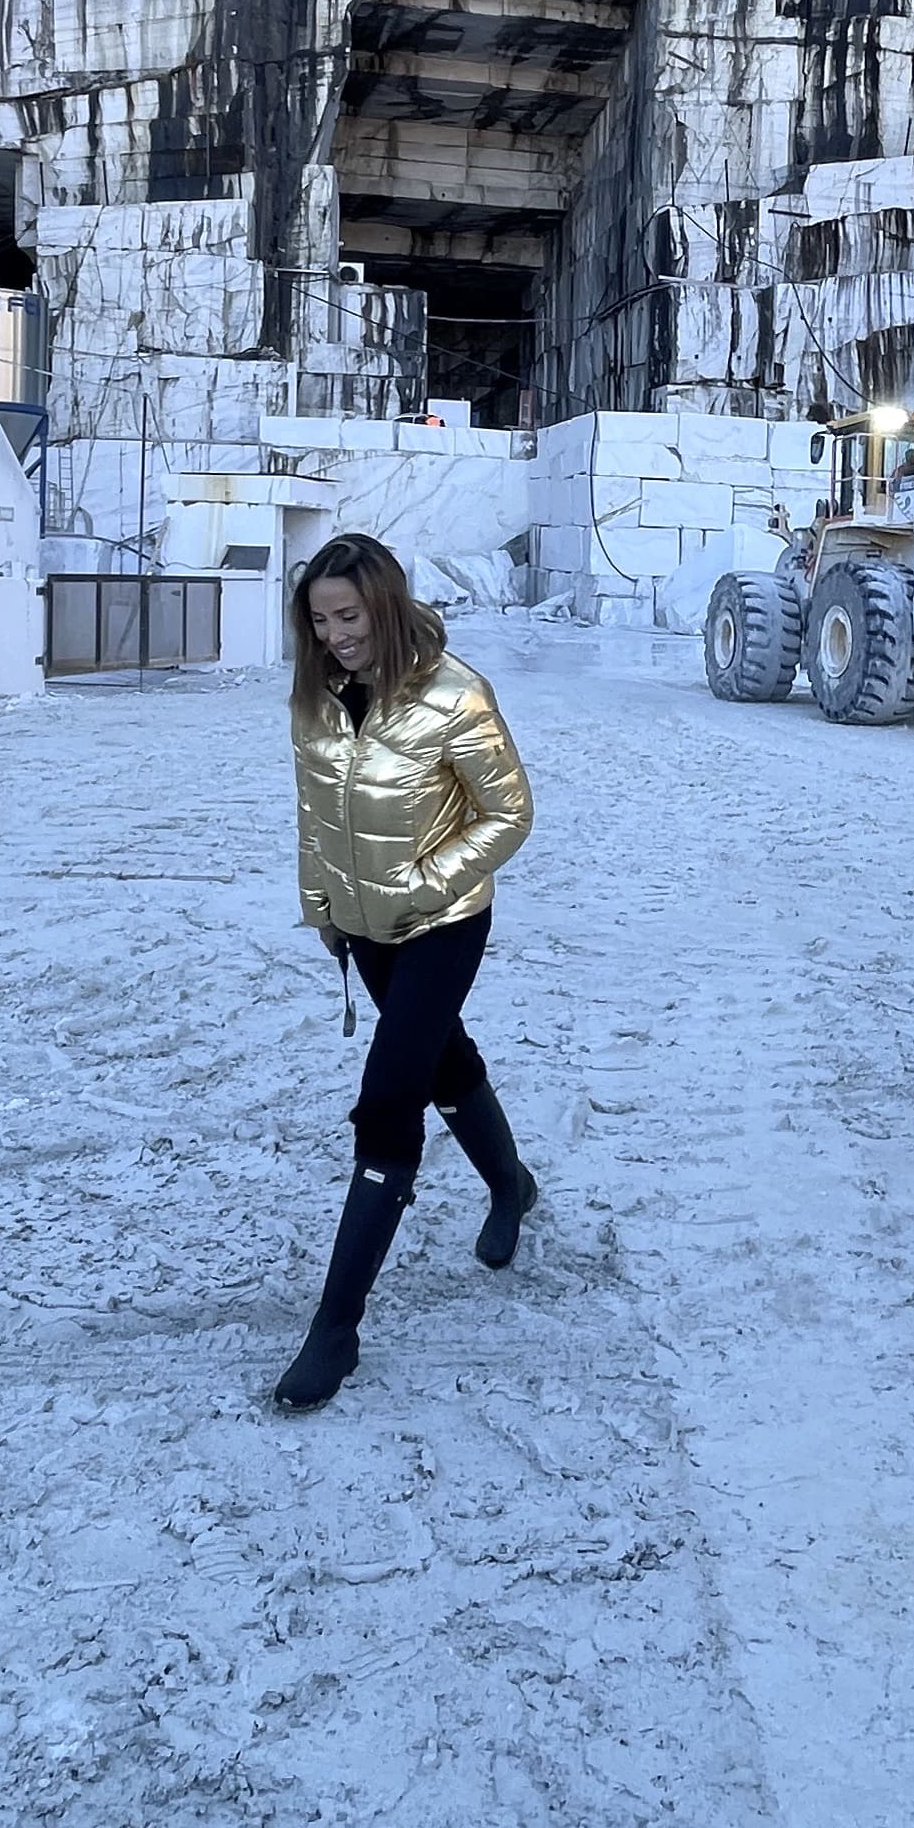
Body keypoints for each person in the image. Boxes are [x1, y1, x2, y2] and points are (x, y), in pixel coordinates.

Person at [277, 533, 537, 1412]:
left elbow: (509, 812)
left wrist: (426, 884)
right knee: (440, 1061)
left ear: (383, 605)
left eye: (348, 616)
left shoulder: (456, 694)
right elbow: (313, 810)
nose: (334, 636)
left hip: (442, 923)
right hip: (364, 927)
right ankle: (511, 1186)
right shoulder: (316, 695)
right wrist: (322, 906)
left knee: (390, 1100)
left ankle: (335, 1328)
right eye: (320, 621)